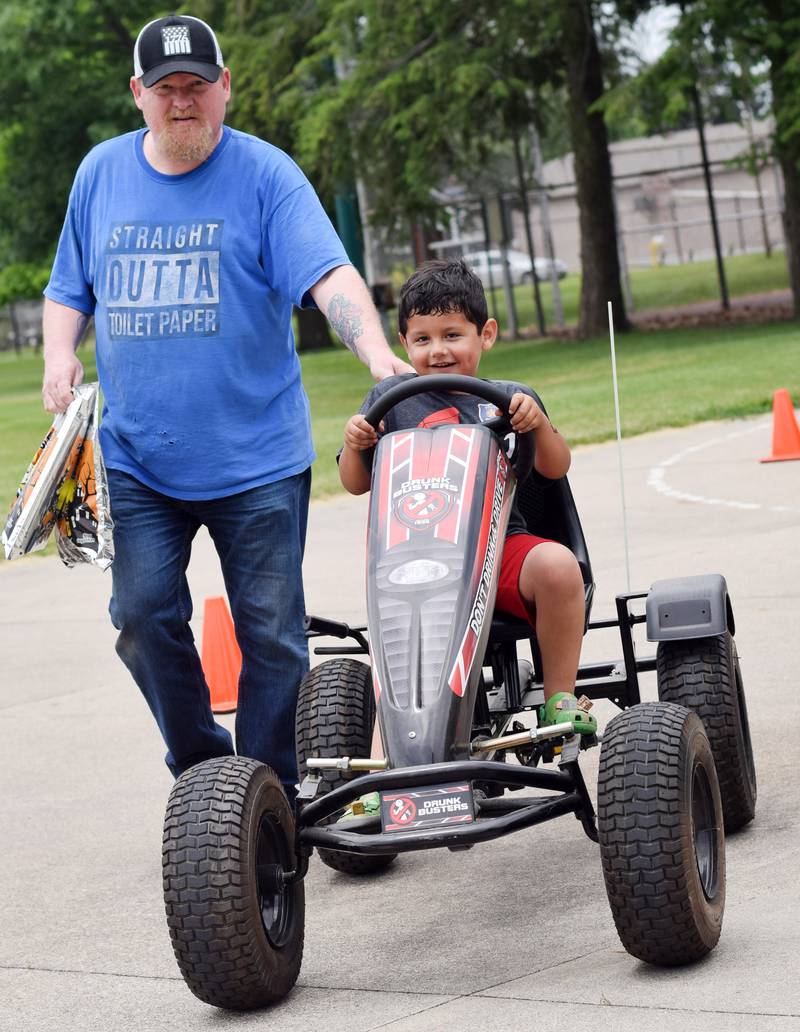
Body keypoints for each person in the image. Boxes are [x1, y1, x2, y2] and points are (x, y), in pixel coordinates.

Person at [41, 14, 410, 795]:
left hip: (258, 459)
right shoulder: (100, 174)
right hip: (138, 460)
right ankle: (212, 780)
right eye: (167, 88)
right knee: (141, 619)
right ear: (138, 94)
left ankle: (268, 799)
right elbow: (67, 288)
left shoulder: (266, 176)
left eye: (198, 87)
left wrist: (377, 354)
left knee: (273, 639)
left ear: (225, 89)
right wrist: (57, 353)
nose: (184, 102)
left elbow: (329, 276)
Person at [339, 259, 596, 802]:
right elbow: (355, 484)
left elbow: (555, 467)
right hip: (413, 557)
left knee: (557, 567)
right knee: (395, 625)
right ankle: (391, 758)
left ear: (486, 335)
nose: (438, 351)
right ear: (404, 343)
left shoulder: (508, 397)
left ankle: (560, 702)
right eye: (423, 338)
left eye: (453, 335)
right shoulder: (390, 403)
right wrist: (360, 441)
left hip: (498, 550)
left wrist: (535, 423)